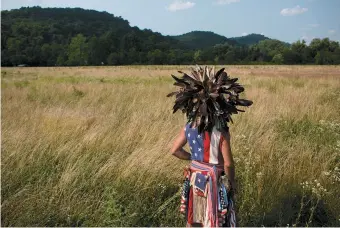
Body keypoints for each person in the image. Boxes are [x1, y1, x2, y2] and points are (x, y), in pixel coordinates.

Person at [167, 66, 252, 227]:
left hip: (194, 178)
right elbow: (228, 163)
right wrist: (232, 182)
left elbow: (175, 150)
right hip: (215, 181)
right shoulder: (221, 132)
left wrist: (193, 159)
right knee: (216, 218)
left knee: (195, 217)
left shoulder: (189, 126)